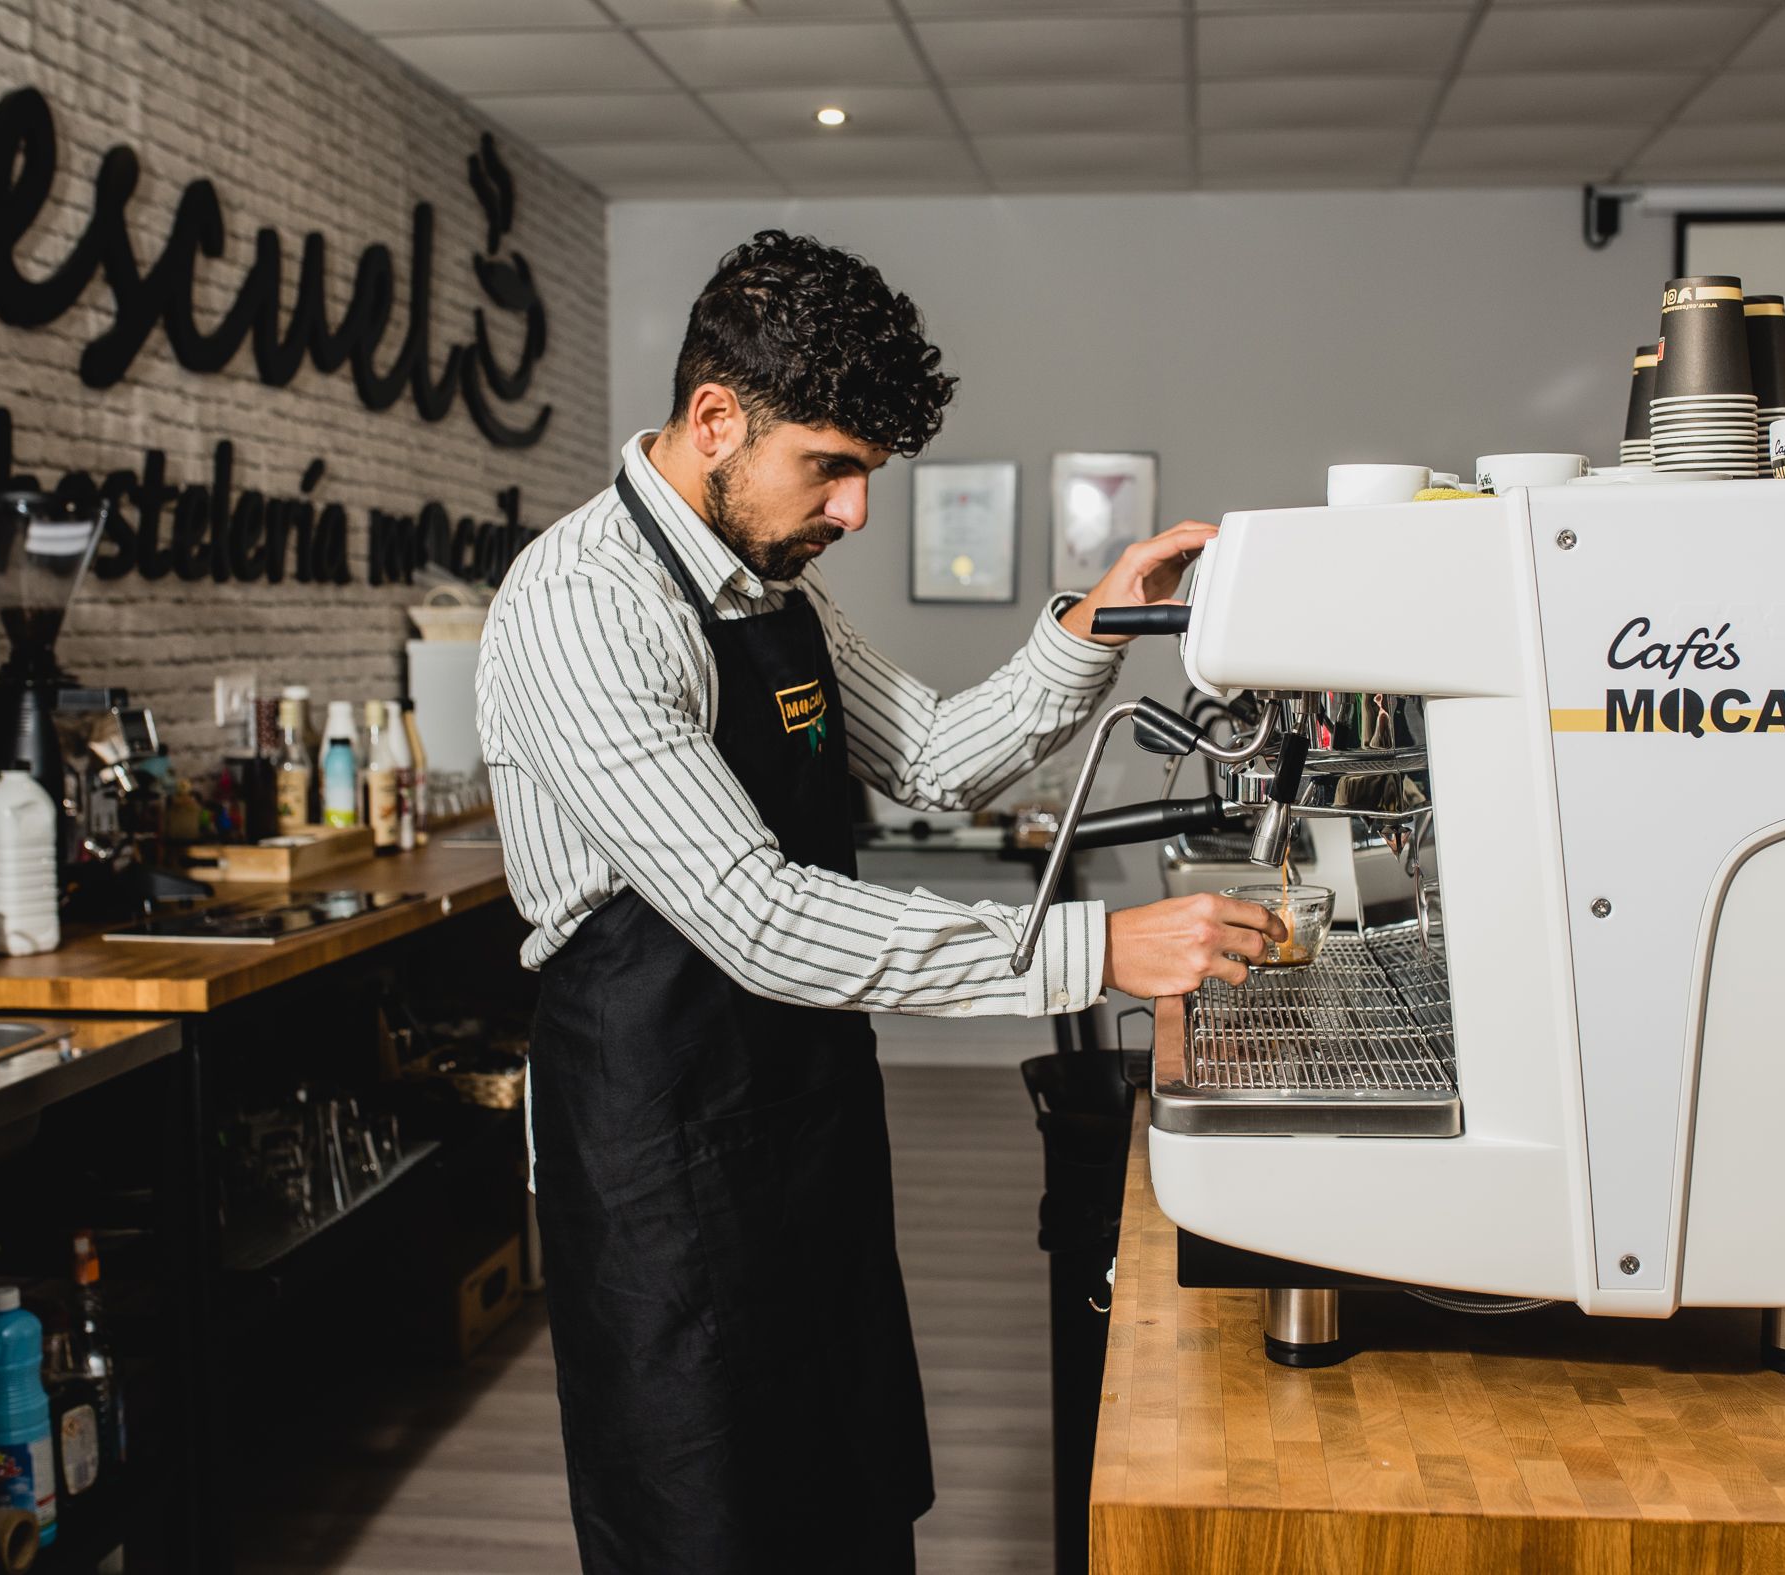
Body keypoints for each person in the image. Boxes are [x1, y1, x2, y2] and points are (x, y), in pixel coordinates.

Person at [478, 230, 1281, 1575]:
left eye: (868, 475)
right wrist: (1091, 949)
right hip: (662, 1143)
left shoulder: (771, 580)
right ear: (717, 419)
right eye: (833, 467)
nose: (854, 511)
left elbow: (931, 761)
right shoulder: (584, 608)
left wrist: (1088, 626)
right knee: (709, 1524)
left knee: (845, 1492)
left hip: (802, 1105)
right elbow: (759, 917)